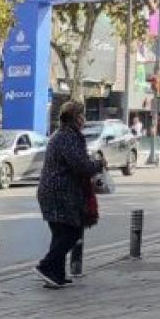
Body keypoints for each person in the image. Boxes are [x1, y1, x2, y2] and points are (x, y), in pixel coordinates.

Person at [35, 100, 102, 288]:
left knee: (60, 234)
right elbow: (81, 166)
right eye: (82, 115)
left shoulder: (64, 135)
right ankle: (46, 266)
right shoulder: (67, 137)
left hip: (53, 191)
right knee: (72, 232)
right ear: (75, 117)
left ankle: (55, 275)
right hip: (59, 193)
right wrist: (98, 165)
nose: (84, 119)